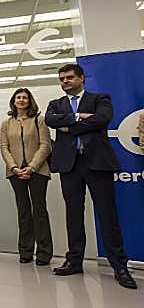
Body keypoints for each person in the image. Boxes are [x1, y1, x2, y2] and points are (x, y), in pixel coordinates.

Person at [45, 63, 137, 289]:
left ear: (81, 78)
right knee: (73, 215)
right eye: (62, 79)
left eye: (69, 77)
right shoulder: (55, 104)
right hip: (70, 166)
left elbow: (102, 119)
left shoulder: (100, 99)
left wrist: (70, 126)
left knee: (107, 215)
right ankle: (74, 260)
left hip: (97, 163)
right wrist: (79, 117)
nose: (65, 81)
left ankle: (119, 266)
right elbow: (51, 120)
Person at [0, 88, 52, 266]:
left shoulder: (39, 120)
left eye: (25, 97)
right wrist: (14, 167)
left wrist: (32, 167)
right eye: (18, 97)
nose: (21, 100)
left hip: (38, 171)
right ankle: (25, 251)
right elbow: (4, 147)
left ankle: (44, 253)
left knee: (39, 211)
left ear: (30, 101)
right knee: (23, 212)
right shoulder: (6, 123)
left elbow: (45, 145)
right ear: (13, 101)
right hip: (15, 172)